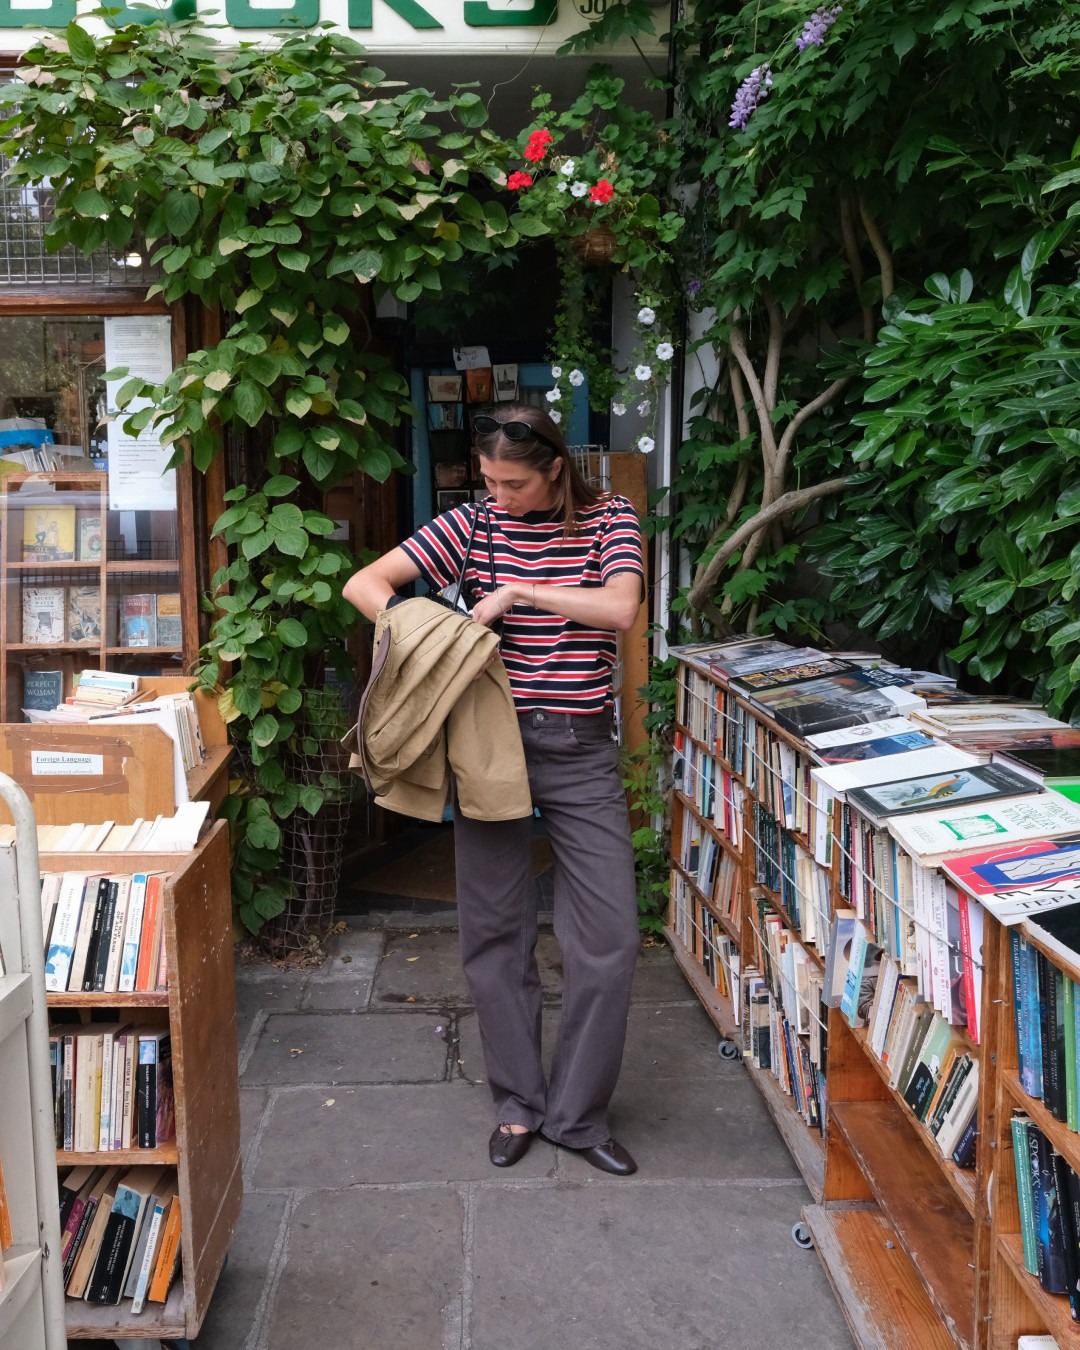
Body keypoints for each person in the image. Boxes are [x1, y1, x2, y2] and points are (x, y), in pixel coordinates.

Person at [343, 403, 644, 1175]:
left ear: (554, 469)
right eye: (488, 481)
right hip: (489, 744)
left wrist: (520, 592)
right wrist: (426, 628)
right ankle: (519, 1103)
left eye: (512, 482)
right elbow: (366, 584)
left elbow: (620, 607)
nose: (497, 496)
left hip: (579, 746)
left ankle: (578, 1116)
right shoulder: (472, 524)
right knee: (494, 931)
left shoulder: (610, 519)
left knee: (608, 938)